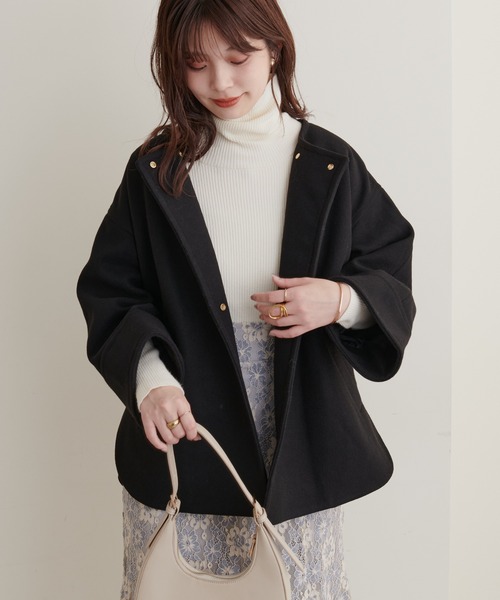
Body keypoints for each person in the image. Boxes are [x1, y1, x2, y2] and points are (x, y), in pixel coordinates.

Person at [77, 0, 416, 597]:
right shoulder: (156, 172)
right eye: (196, 63)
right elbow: (112, 289)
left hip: (297, 431)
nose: (221, 82)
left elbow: (390, 270)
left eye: (239, 57)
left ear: (275, 50)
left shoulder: (331, 164)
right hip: (185, 426)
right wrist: (151, 381)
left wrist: (339, 301)